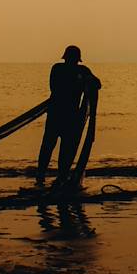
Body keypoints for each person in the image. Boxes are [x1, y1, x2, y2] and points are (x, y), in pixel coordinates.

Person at [37, 45, 101, 186]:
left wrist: (88, 79)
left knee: (63, 149)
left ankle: (60, 177)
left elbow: (97, 84)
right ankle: (41, 177)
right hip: (58, 115)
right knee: (48, 146)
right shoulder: (59, 69)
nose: (72, 61)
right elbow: (54, 87)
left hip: (66, 117)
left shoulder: (81, 71)